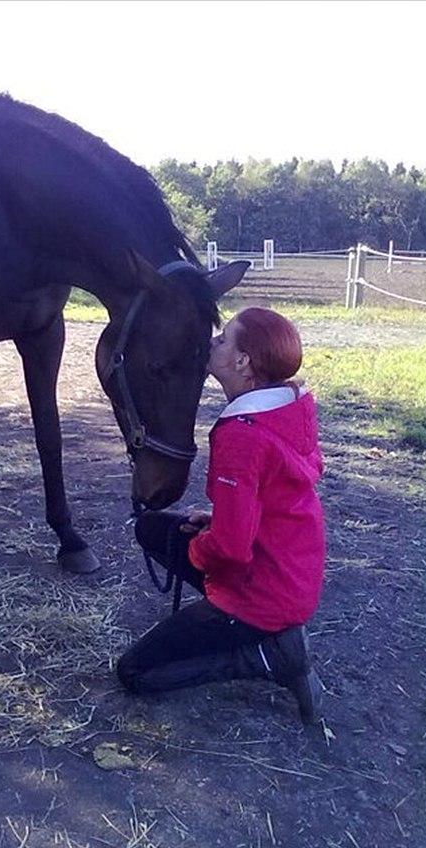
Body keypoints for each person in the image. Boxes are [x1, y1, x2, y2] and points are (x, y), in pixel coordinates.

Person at [117, 307, 325, 724]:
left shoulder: (241, 435)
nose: (213, 342)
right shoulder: (286, 408)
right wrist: (221, 517)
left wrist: (203, 549)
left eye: (224, 339)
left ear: (243, 362)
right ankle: (263, 634)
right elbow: (273, 496)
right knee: (153, 528)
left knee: (135, 673)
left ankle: (266, 657)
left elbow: (230, 550)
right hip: (292, 571)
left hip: (262, 594)